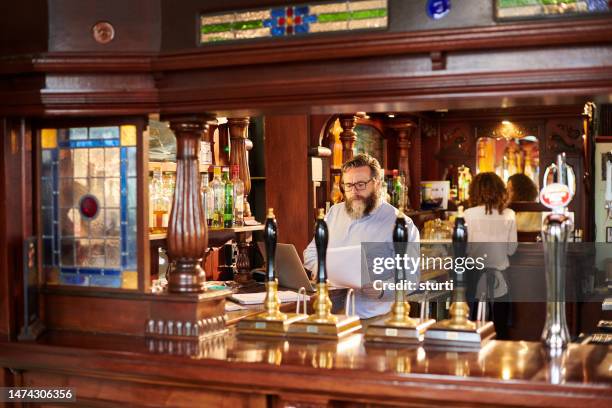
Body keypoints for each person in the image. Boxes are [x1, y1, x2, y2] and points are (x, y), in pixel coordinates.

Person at [303, 153, 419, 319]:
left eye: (361, 184)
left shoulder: (401, 223)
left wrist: (382, 289)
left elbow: (411, 278)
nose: (354, 191)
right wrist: (324, 271)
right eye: (348, 185)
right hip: (330, 315)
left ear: (377, 184)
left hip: (374, 319)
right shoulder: (334, 213)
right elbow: (311, 253)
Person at [464, 172, 517, 339]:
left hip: (474, 276)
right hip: (501, 277)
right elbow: (511, 249)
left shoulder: (468, 214)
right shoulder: (509, 214)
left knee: (474, 327)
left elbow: (464, 249)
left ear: (474, 191)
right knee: (500, 328)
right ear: (500, 190)